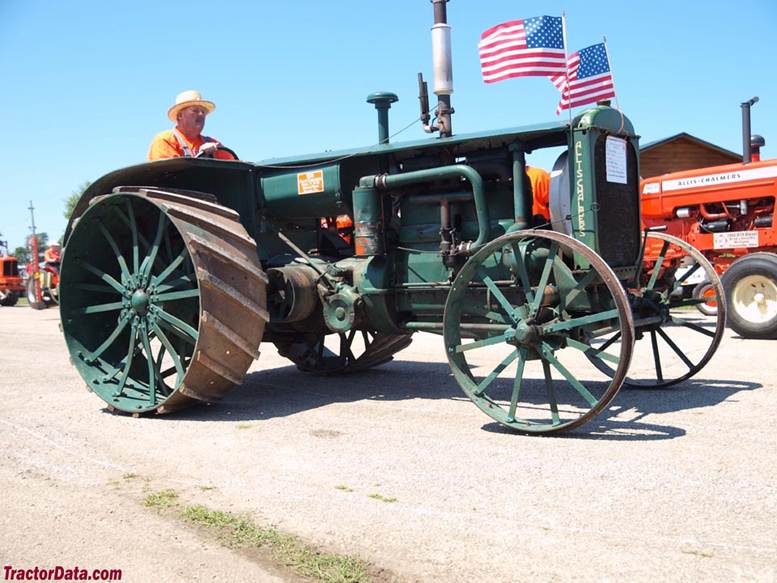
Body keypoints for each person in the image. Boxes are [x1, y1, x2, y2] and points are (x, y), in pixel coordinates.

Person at [147, 90, 236, 161]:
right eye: (195, 110)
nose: (201, 114)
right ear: (180, 116)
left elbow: (235, 169)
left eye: (203, 111)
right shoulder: (165, 140)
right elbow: (167, 175)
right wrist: (202, 158)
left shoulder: (214, 144)